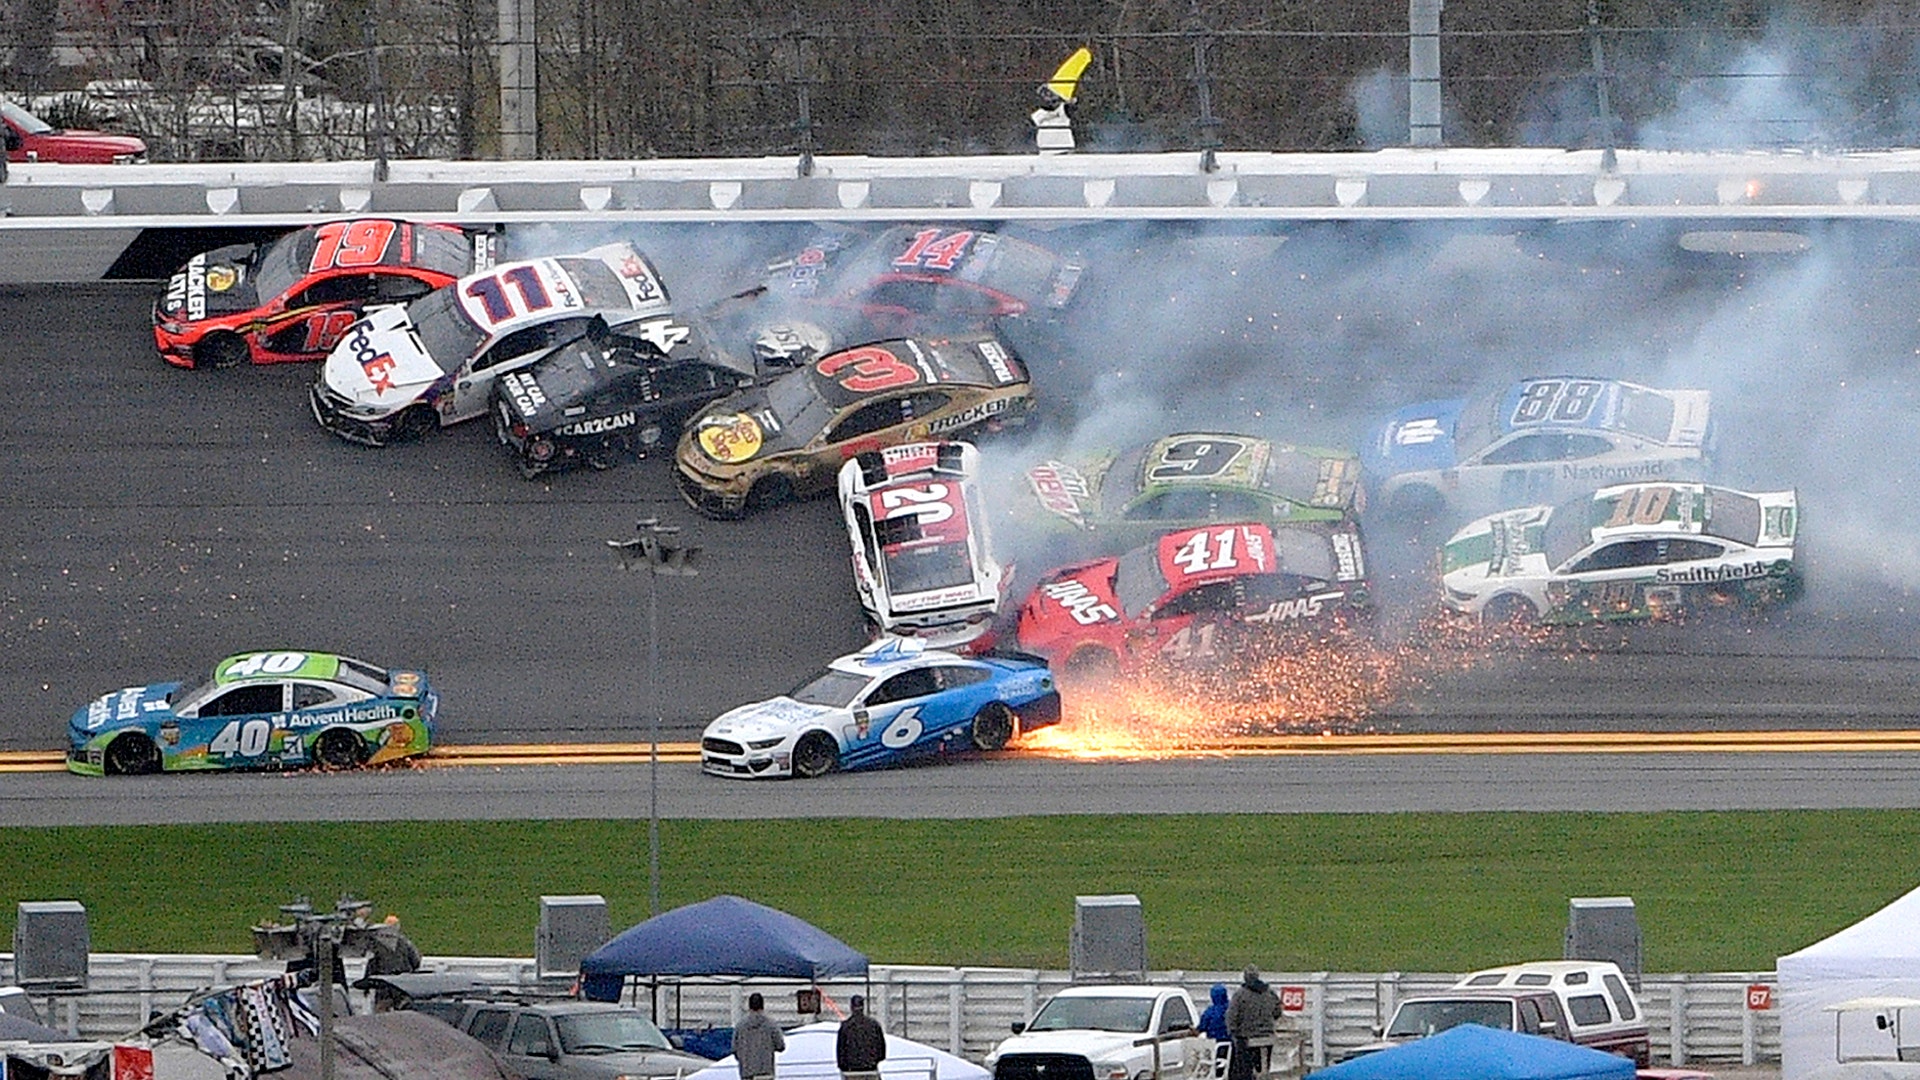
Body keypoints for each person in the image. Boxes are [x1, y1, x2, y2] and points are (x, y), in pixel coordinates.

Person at [1225, 967, 1280, 1080]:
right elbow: (1277, 1012)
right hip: (1267, 1036)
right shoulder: (1270, 993)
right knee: (1263, 1066)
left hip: (1247, 1037)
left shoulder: (1240, 995)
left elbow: (1232, 1016)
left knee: (1243, 1069)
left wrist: (1233, 1031)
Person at [364, 914, 424, 1011]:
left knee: (381, 1013)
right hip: (402, 985)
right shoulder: (405, 943)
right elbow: (416, 961)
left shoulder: (377, 944)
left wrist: (366, 985)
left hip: (384, 987)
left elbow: (371, 966)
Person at [734, 992, 786, 1080]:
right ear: (763, 1006)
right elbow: (780, 1046)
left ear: (749, 1007)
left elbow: (735, 1048)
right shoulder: (770, 1024)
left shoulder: (740, 1026)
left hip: (746, 1074)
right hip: (765, 1073)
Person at [836, 994, 886, 1080]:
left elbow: (840, 1052)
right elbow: (881, 1051)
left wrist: (846, 1066)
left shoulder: (845, 1027)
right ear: (863, 1007)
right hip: (870, 1070)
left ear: (851, 1007)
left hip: (851, 1072)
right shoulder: (874, 1025)